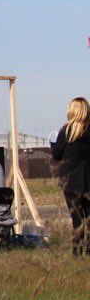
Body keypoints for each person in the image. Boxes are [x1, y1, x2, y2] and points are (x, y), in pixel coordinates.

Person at [51, 97, 90, 256]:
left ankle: (77, 251)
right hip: (88, 178)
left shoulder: (66, 131)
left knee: (77, 218)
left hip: (71, 180)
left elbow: (56, 154)